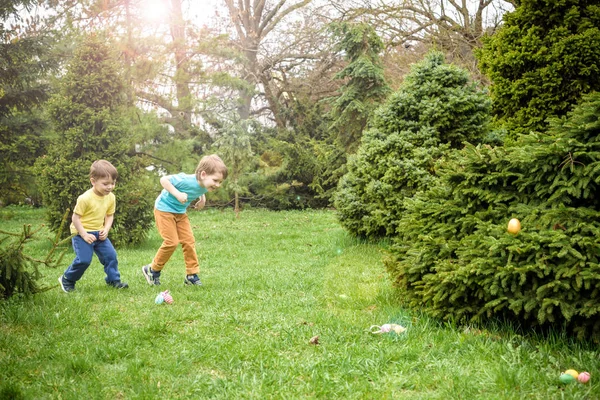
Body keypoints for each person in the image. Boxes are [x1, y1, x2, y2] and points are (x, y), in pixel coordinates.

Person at [142, 154, 227, 286]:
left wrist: (202, 199)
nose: (218, 185)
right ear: (203, 174)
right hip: (164, 210)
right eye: (216, 180)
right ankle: (152, 270)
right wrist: (177, 194)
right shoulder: (185, 179)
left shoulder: (204, 183)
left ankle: (191, 275)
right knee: (171, 242)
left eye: (220, 182)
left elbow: (200, 189)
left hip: (180, 213)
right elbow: (163, 180)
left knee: (189, 241)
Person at [58, 160, 128, 292]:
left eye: (113, 183)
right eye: (105, 184)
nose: (109, 187)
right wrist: (84, 234)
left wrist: (106, 229)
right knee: (84, 260)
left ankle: (114, 280)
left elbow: (109, 215)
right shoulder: (85, 198)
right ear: (93, 181)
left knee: (111, 256)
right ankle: (67, 279)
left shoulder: (111, 197)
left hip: (99, 233)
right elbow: (75, 218)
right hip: (81, 233)